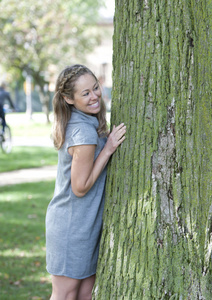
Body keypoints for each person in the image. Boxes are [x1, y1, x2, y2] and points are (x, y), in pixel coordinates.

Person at [46, 65, 126, 299]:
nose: (95, 96)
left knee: (85, 295)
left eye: (95, 88)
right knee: (66, 295)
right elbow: (80, 187)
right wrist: (108, 149)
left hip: (86, 225)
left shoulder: (86, 121)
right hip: (71, 227)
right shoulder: (83, 131)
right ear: (68, 99)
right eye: (85, 93)